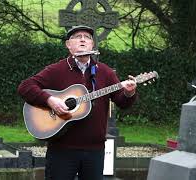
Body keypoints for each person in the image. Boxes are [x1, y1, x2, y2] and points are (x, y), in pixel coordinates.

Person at [17, 25, 137, 180]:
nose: (82, 39)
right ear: (68, 44)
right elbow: (25, 87)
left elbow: (123, 103)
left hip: (95, 150)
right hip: (62, 149)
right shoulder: (57, 70)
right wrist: (50, 100)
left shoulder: (105, 72)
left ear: (92, 44)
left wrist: (129, 93)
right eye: (77, 36)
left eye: (87, 37)